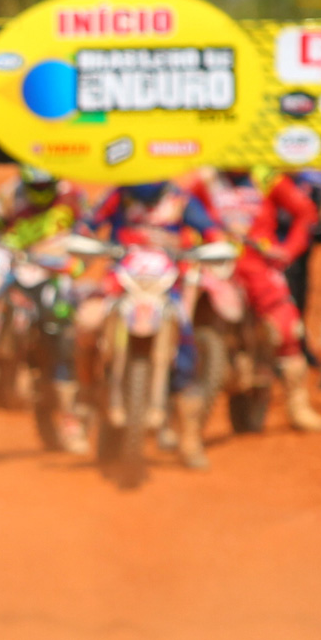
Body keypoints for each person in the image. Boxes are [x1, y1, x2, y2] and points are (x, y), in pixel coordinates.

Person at [79, 180, 228, 470]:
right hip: (120, 282)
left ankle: (189, 438)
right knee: (87, 322)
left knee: (185, 348)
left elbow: (212, 231)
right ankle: (84, 396)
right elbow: (87, 225)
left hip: (166, 285)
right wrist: (86, 241)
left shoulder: (180, 200)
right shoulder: (118, 195)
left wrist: (215, 247)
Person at [184, 165, 321, 432]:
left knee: (286, 329)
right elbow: (181, 210)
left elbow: (305, 212)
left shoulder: (266, 177)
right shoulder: (206, 179)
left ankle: (298, 405)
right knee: (181, 319)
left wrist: (288, 249)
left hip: (257, 264)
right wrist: (193, 244)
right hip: (215, 265)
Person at [0, 165, 86, 450]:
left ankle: (70, 417)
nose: (40, 192)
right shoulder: (10, 192)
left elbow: (86, 232)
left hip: (54, 272)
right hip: (13, 267)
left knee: (62, 335)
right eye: (34, 187)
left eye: (45, 186)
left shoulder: (72, 196)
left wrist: (79, 260)